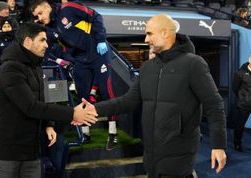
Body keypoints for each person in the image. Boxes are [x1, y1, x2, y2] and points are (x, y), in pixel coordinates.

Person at [82, 14, 227, 178]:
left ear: (165, 33)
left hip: (179, 158)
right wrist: (94, 109)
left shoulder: (194, 64)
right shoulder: (147, 68)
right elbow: (127, 101)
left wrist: (218, 145)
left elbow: (214, 105)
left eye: (149, 33)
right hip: (151, 156)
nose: (146, 39)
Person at [0, 22, 98, 178]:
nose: (46, 45)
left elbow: (40, 99)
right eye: (42, 40)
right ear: (27, 42)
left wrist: (48, 125)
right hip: (6, 152)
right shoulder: (10, 69)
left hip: (31, 150)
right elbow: (30, 106)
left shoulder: (35, 66)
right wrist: (72, 113)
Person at [31, 0, 119, 150]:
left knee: (107, 93)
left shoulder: (68, 8)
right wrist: (61, 60)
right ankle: (85, 134)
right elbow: (48, 48)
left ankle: (113, 133)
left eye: (40, 13)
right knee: (83, 97)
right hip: (80, 61)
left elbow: (95, 16)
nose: (39, 17)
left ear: (47, 7)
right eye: (36, 16)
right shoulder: (48, 29)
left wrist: (101, 39)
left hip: (98, 54)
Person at [232, 54, 251, 153]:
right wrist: (243, 98)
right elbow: (235, 89)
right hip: (244, 105)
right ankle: (237, 143)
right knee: (240, 126)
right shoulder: (240, 73)